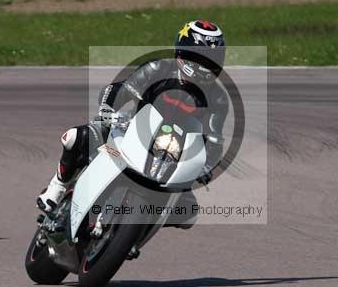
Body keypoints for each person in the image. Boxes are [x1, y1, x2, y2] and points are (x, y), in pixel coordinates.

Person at [37, 19, 228, 230]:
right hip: (129, 129)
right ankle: (57, 186)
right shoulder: (158, 68)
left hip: (172, 153)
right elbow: (121, 89)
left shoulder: (218, 98)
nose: (204, 66)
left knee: (189, 213)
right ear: (182, 53)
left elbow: (214, 140)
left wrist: (206, 167)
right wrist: (107, 112)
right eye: (198, 58)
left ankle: (136, 230)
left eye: (210, 61)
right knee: (75, 137)